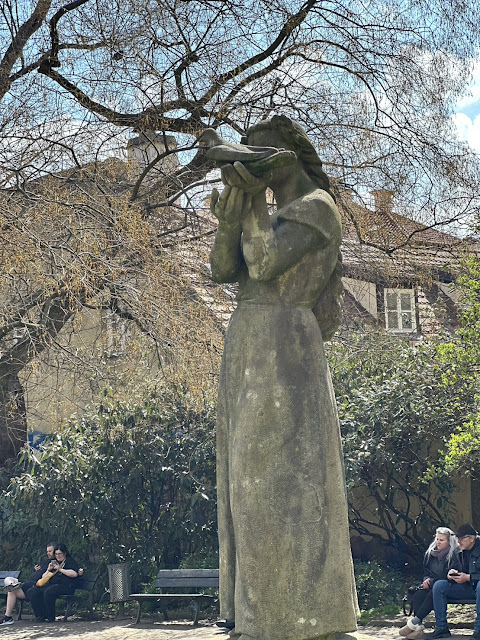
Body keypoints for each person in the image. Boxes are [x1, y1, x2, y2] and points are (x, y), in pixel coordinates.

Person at [210, 115, 358, 640]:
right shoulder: (271, 213)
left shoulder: (316, 209)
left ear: (289, 155)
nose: (252, 163)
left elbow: (266, 263)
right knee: (243, 483)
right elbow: (222, 270)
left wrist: (249, 206)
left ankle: (295, 612)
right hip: (248, 342)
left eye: (260, 153)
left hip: (285, 347)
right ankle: (254, 612)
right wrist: (230, 220)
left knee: (279, 483)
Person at [399, 528, 460, 639]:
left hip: (448, 586)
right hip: (431, 585)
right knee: (419, 595)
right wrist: (426, 580)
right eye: (437, 539)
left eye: (442, 540)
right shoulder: (430, 553)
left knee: (435, 591)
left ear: (449, 541)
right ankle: (418, 629)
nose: (438, 542)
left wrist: (431, 582)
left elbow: (449, 575)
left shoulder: (455, 555)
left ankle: (414, 622)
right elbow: (426, 571)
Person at [429, 524, 480, 639]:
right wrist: (450, 574)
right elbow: (450, 568)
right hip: (465, 588)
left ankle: (479, 629)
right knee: (439, 585)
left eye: (462, 538)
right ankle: (441, 628)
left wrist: (468, 577)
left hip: (477, 587)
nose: (458, 541)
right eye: (457, 538)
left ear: (472, 538)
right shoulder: (458, 549)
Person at [0, 542, 56, 627]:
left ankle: (8, 617)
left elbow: (45, 577)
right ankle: (14, 585)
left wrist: (47, 570)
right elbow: (39, 572)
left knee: (11, 590)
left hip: (32, 587)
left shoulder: (54, 564)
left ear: (55, 551)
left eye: (50, 551)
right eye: (47, 551)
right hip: (25, 584)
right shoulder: (45, 561)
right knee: (8, 579)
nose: (48, 553)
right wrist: (36, 569)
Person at [26, 543, 79, 623]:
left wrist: (60, 569)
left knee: (49, 591)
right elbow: (44, 577)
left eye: (60, 554)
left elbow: (74, 574)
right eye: (56, 554)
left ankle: (50, 617)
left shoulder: (69, 561)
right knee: (32, 591)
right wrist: (48, 570)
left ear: (64, 553)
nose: (58, 556)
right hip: (52, 584)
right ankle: (40, 615)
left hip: (66, 586)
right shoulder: (54, 562)